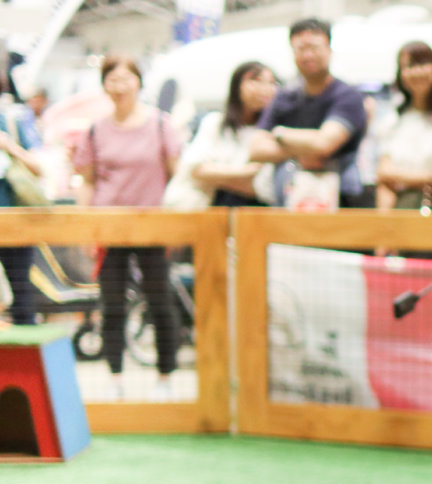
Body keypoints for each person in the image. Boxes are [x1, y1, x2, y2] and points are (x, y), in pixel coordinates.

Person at [72, 54, 183, 400]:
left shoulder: (161, 125)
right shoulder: (95, 130)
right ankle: (114, 377)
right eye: (112, 79)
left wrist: (174, 227)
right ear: (104, 84)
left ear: (139, 81)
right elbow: (87, 182)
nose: (120, 86)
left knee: (160, 300)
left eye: (126, 78)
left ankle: (165, 377)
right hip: (109, 227)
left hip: (153, 226)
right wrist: (85, 228)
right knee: (112, 304)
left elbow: (177, 177)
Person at [248, 18, 369, 209]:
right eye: (300, 49)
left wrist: (280, 134)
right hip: (288, 201)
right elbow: (255, 149)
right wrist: (306, 147)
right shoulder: (284, 97)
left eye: (314, 47)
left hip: (340, 203)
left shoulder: (348, 96)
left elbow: (324, 144)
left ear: (329, 49)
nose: (308, 55)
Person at [165, 61, 277, 209]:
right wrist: (245, 172)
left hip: (259, 211)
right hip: (213, 208)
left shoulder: (274, 131)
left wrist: (218, 176)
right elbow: (196, 170)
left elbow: (266, 186)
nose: (264, 88)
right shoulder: (215, 123)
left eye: (271, 82)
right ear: (237, 85)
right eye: (255, 80)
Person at [374, 41, 432, 215]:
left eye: (423, 63)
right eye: (409, 66)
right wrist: (427, 177)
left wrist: (398, 177)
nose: (416, 72)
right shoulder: (392, 119)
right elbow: (383, 173)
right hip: (397, 210)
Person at [0, 66, 43, 327]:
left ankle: (23, 367)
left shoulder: (13, 120)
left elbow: (40, 167)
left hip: (15, 220)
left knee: (21, 296)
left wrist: (9, 147)